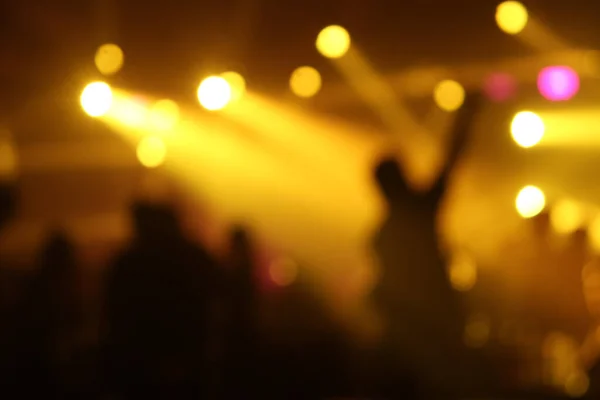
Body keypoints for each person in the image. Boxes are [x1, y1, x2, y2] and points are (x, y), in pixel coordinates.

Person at [371, 92, 485, 397]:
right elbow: (451, 161)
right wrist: (468, 117)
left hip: (407, 332)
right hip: (431, 328)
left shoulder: (382, 235)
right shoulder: (419, 214)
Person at [102, 200, 221, 399]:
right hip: (187, 360)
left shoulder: (128, 263)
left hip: (143, 365)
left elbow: (114, 315)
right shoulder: (193, 256)